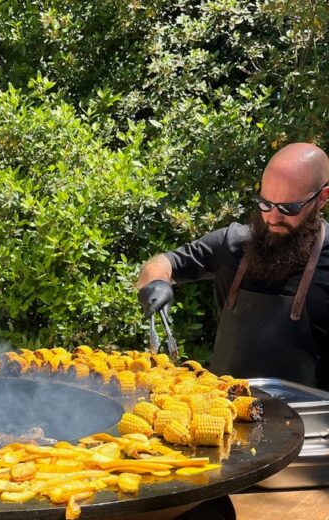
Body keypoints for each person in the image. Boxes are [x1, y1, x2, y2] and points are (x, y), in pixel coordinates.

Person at [136, 142, 329, 387]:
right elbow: (163, 263)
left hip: (309, 411)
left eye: (289, 208)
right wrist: (156, 283)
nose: (272, 218)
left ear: (322, 198)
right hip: (223, 406)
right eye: (265, 203)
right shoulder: (234, 243)